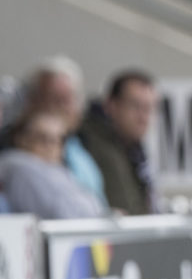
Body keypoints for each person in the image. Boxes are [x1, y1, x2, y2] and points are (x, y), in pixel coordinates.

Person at [2, 56, 107, 208]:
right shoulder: (14, 154)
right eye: (52, 98)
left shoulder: (82, 145)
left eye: (66, 100)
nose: (59, 108)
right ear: (32, 101)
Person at [78, 69, 158, 215]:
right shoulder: (97, 144)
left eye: (148, 108)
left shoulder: (132, 148)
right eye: (135, 106)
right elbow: (128, 210)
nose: (143, 117)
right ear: (111, 106)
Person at [0, 108, 105, 219]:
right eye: (43, 138)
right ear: (22, 139)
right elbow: (60, 213)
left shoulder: (59, 169)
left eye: (58, 139)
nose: (51, 146)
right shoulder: (21, 168)